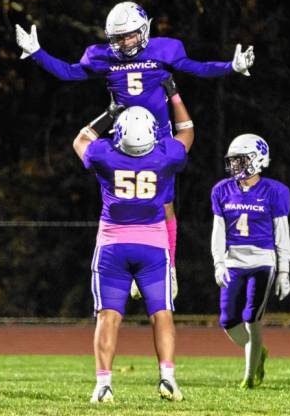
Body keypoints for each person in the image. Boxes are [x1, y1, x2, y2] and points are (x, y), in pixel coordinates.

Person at [17, 1, 254, 283]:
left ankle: (169, 266)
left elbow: (197, 68)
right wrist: (37, 53)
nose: (126, 42)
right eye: (119, 37)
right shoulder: (101, 56)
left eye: (131, 35)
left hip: (159, 138)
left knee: (165, 205)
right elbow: (69, 72)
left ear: (144, 30)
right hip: (121, 141)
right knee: (122, 200)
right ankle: (126, 265)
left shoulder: (165, 49)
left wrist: (231, 67)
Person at [73, 96, 194, 403]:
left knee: (108, 316)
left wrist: (108, 113)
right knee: (162, 314)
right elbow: (187, 132)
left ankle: (103, 385)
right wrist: (175, 97)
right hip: (153, 245)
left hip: (113, 245)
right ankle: (167, 377)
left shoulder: (106, 154)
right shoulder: (165, 157)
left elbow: (81, 140)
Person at [210, 133, 290, 389]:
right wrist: (218, 262)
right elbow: (218, 230)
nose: (235, 165)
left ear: (258, 159)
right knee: (228, 321)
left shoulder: (274, 191)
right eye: (233, 160)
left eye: (241, 160)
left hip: (262, 261)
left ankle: (249, 375)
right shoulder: (222, 190)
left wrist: (284, 271)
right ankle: (257, 352)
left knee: (251, 317)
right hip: (233, 260)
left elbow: (282, 234)